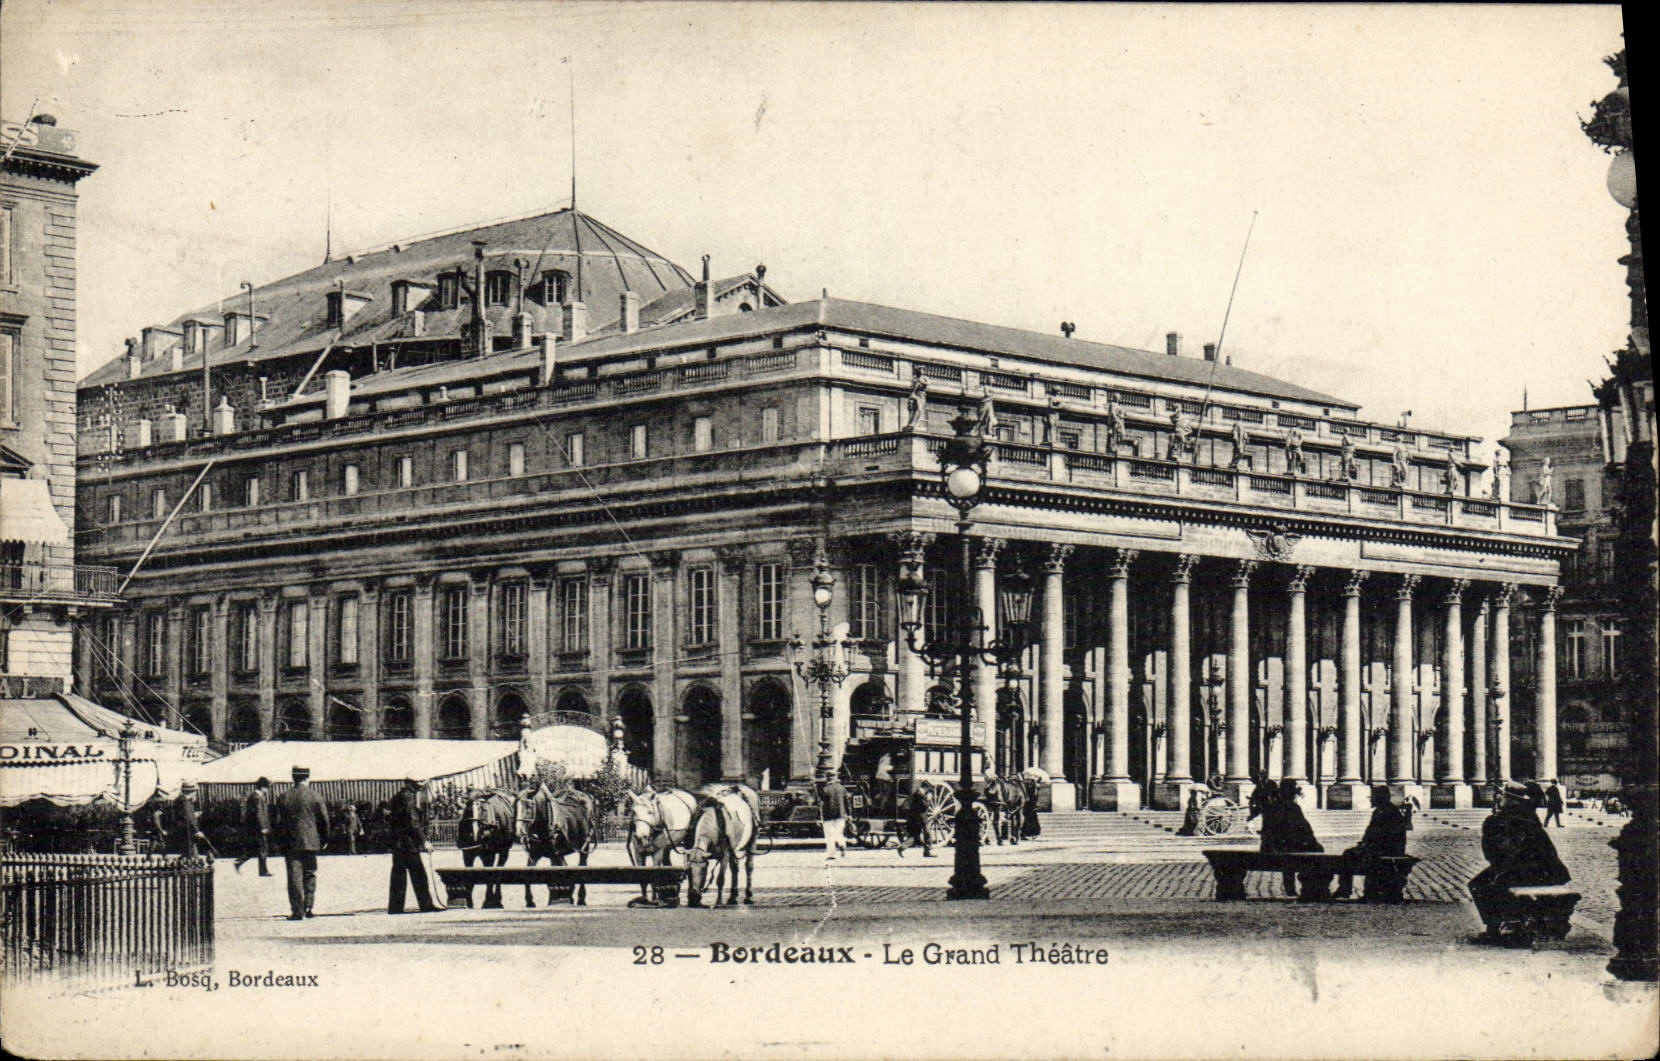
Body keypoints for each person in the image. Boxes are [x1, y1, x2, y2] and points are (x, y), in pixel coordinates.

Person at [1468, 780, 1571, 944]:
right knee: (1490, 880)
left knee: (1482, 885)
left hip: (1529, 870)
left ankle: (1502, 928)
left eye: (1503, 796)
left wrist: (1492, 823)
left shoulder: (1507, 818)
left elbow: (1501, 853)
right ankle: (1508, 925)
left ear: (1511, 799)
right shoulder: (1526, 815)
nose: (1500, 799)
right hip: (1547, 870)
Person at [1334, 788, 1411, 900]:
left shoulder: (1386, 812)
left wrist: (1366, 846)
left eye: (1372, 798)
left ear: (1379, 799)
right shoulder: (1385, 811)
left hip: (1386, 850)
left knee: (1351, 855)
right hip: (1383, 848)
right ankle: (1347, 889)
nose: (1371, 800)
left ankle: (1347, 889)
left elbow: (1381, 836)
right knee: (1350, 853)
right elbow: (1371, 834)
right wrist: (1364, 844)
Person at [276, 765, 330, 921]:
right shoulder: (316, 796)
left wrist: (280, 841)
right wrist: (324, 839)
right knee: (310, 874)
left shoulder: (284, 797)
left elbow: (278, 823)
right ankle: (309, 907)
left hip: (291, 843)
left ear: (293, 778)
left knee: (294, 876)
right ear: (307, 777)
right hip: (311, 842)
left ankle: (297, 911)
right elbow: (324, 821)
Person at [387, 778, 442, 914]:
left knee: (399, 875)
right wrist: (424, 841)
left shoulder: (398, 796)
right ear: (413, 784)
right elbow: (413, 822)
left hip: (398, 842)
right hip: (408, 843)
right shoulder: (408, 797)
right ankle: (426, 905)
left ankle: (395, 907)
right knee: (419, 874)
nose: (421, 787)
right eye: (419, 785)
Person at [1259, 781, 1322, 898]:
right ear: (1292, 794)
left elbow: (1267, 831)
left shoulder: (1271, 807)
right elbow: (1305, 828)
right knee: (1314, 851)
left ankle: (1292, 889)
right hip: (1284, 847)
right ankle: (1309, 886)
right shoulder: (1293, 807)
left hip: (1271, 847)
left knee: (1296, 853)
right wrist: (1311, 841)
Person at [235, 777, 275, 876]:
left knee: (255, 849)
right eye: (267, 787)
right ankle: (263, 871)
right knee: (263, 848)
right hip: (258, 828)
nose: (268, 790)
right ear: (262, 787)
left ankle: (239, 862)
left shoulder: (254, 796)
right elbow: (259, 813)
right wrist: (262, 827)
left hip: (255, 828)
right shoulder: (257, 797)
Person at [896, 785, 935, 858]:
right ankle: (927, 851)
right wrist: (928, 800)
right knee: (928, 833)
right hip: (922, 818)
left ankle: (902, 847)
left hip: (914, 817)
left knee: (915, 836)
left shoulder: (916, 794)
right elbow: (924, 806)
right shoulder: (921, 795)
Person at [818, 776, 849, 859]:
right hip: (841, 814)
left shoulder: (825, 789)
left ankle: (832, 854)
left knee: (830, 835)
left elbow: (821, 801)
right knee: (839, 832)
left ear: (827, 779)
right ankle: (842, 844)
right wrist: (848, 813)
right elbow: (847, 801)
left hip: (828, 815)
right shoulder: (842, 788)